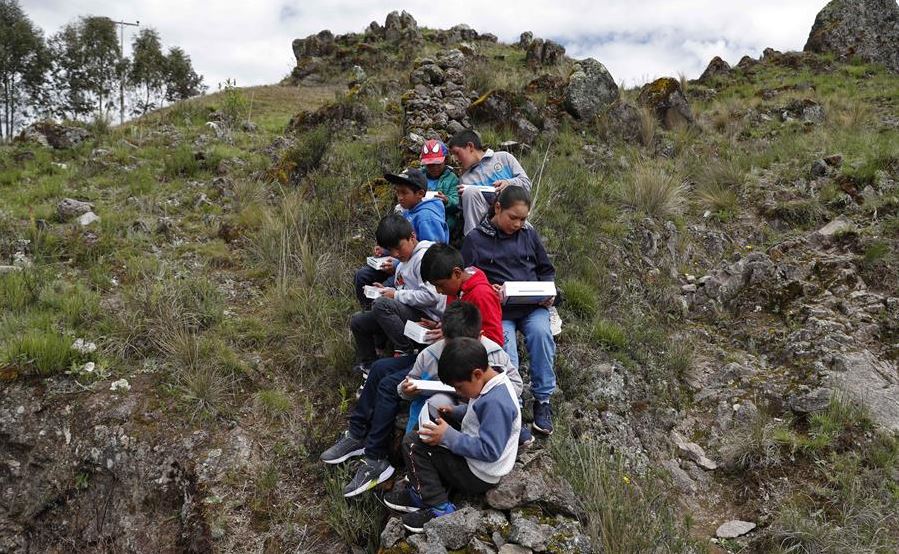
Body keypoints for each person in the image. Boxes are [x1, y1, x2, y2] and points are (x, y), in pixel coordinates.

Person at [382, 337, 521, 532]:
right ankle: (424, 488)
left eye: (459, 387)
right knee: (432, 425)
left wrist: (448, 436)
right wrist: (455, 412)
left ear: (477, 373)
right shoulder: (491, 381)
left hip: (479, 474)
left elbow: (490, 451)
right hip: (477, 460)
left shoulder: (496, 402)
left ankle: (438, 506)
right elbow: (479, 414)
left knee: (413, 443)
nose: (458, 392)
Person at [461, 186, 557, 435]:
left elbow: (546, 269)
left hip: (532, 306)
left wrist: (548, 292)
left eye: (523, 218)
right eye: (513, 217)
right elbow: (467, 279)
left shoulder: (529, 234)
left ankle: (543, 401)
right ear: (497, 208)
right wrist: (486, 287)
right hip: (499, 311)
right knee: (506, 352)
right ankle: (514, 403)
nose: (518, 223)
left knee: (541, 335)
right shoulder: (475, 239)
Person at [397, 302, 522, 434]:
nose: (458, 350)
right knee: (437, 402)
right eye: (450, 345)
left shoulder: (494, 354)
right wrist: (406, 390)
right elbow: (411, 381)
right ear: (443, 336)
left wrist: (483, 393)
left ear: (480, 336)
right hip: (444, 408)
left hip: (481, 409)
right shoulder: (429, 355)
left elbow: (516, 385)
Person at [350, 215, 445, 375]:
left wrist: (396, 295)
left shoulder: (424, 258)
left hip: (428, 317)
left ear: (412, 237)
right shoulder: (403, 260)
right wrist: (385, 290)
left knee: (382, 305)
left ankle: (405, 350)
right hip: (406, 311)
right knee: (358, 321)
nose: (395, 254)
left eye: (398, 247)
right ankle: (368, 364)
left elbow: (431, 296)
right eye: (390, 249)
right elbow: (403, 286)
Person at [353, 167, 449, 309]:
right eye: (397, 192)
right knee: (362, 276)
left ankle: (376, 316)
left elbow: (433, 256)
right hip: (401, 263)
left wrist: (397, 264)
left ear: (420, 193)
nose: (400, 197)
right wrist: (385, 250)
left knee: (382, 295)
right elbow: (401, 239)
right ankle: (368, 312)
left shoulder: (426, 217)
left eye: (404, 193)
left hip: (413, 272)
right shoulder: (408, 210)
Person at [447, 129, 531, 236]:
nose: (455, 159)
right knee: (469, 192)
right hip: (486, 225)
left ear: (470, 146)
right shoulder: (465, 179)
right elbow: (465, 212)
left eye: (457, 153)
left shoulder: (504, 157)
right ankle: (474, 241)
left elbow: (527, 184)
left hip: (513, 217)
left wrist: (508, 183)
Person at [419, 243, 503, 347]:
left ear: (457, 273)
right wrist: (440, 327)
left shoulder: (482, 295)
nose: (438, 291)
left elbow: (495, 341)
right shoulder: (454, 290)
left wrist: (451, 337)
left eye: (440, 285)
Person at [419, 139, 462, 243]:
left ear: (445, 160)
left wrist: (446, 201)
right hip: (421, 216)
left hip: (444, 219)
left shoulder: (452, 179)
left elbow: (457, 203)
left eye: (438, 164)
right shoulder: (419, 176)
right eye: (430, 164)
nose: (434, 168)